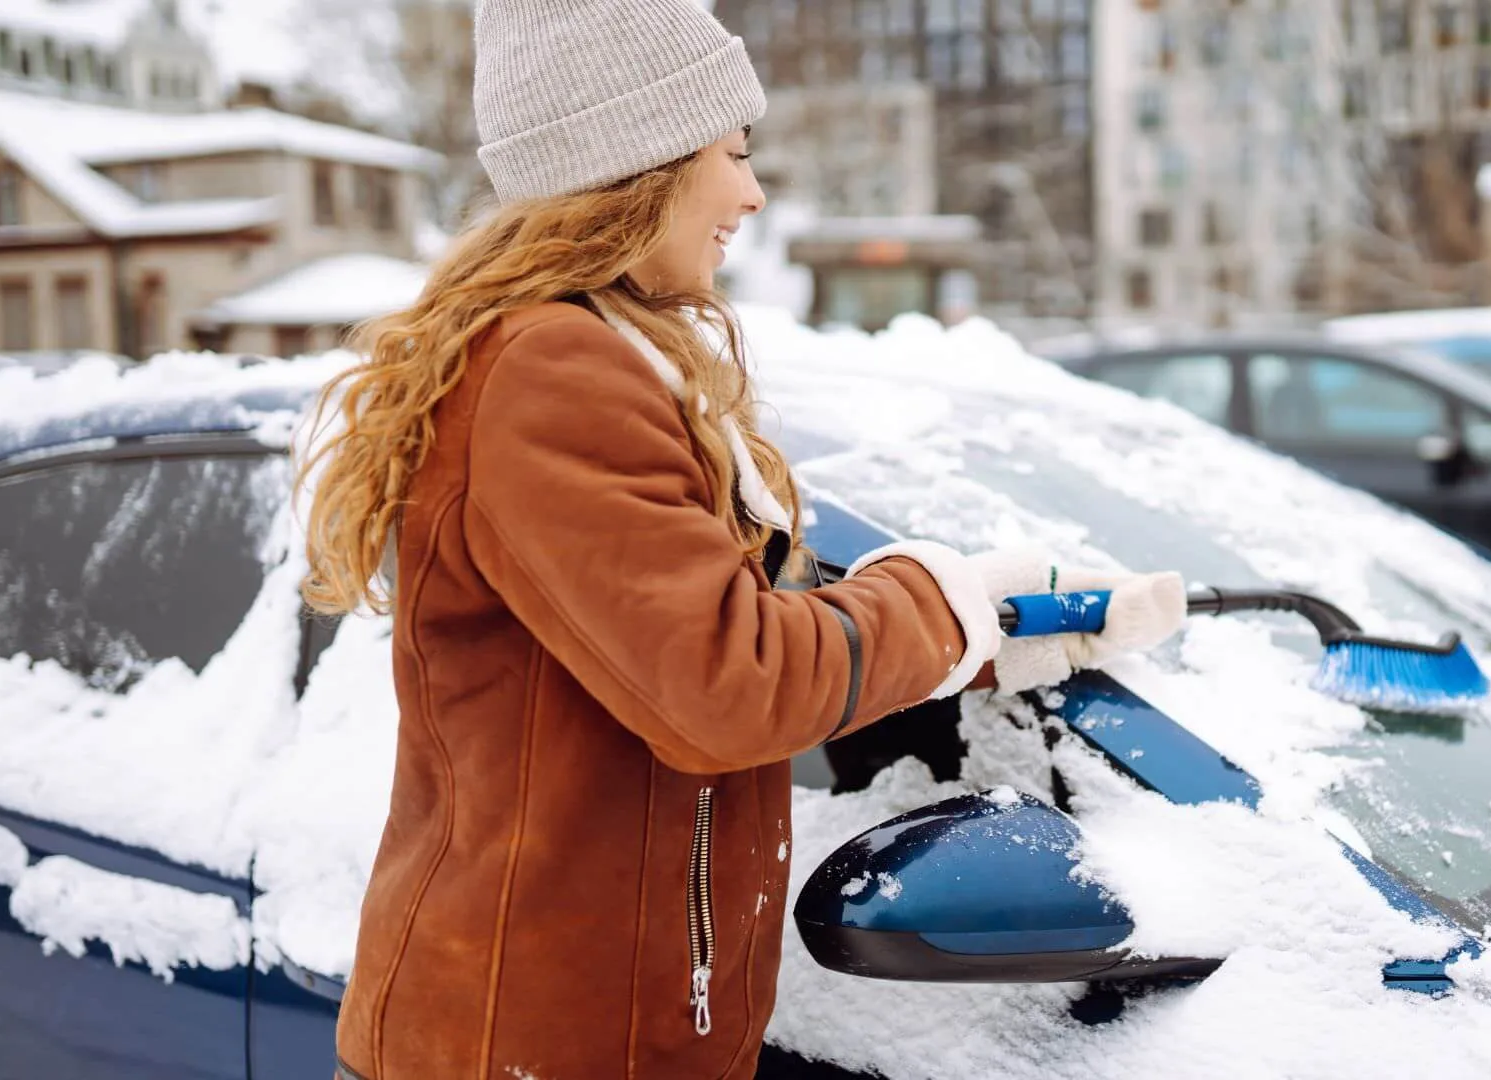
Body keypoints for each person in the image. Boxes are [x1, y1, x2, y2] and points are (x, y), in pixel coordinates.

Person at [295, 2, 1186, 1077]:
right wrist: (938, 603)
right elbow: (727, 684)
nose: (752, 193)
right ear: (642, 164)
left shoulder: (596, 358)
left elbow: (716, 624)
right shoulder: (552, 373)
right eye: (734, 152)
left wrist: (986, 627)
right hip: (536, 1045)